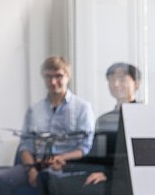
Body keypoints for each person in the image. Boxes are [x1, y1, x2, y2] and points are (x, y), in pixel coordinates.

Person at [0, 56, 95, 195]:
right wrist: (32, 169)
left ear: (68, 76)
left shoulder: (83, 108)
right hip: (37, 164)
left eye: (58, 76)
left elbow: (85, 147)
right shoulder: (34, 109)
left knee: (48, 181)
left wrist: (62, 158)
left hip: (66, 165)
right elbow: (25, 145)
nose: (53, 82)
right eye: (48, 77)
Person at [48, 62, 140, 195]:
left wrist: (109, 174)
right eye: (112, 79)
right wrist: (65, 162)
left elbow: (140, 158)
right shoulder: (104, 120)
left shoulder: (142, 116)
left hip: (126, 177)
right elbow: (97, 155)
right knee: (56, 182)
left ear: (136, 83)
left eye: (122, 79)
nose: (116, 84)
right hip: (103, 171)